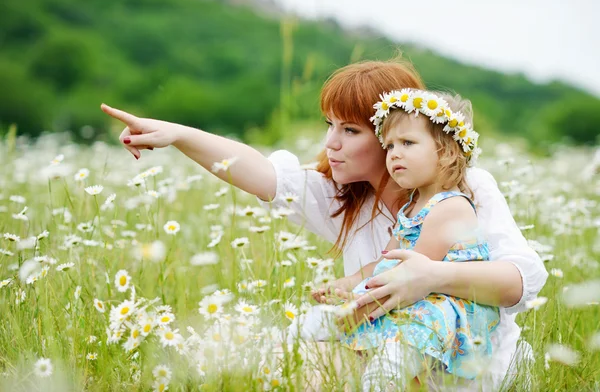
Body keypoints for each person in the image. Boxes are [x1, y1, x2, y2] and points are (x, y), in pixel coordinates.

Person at [100, 57, 548, 390]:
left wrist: (433, 276)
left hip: (472, 373)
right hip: (383, 362)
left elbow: (519, 280)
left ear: (395, 134)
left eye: (350, 130)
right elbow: (256, 170)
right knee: (276, 357)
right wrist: (178, 134)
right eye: (329, 125)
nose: (331, 143)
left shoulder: (467, 190)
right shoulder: (340, 196)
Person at [328, 88, 499, 391]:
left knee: (387, 367)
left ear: (446, 152)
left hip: (437, 312)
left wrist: (358, 309)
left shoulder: (450, 207)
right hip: (415, 303)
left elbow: (409, 276)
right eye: (390, 144)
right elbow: (388, 260)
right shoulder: (412, 207)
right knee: (339, 334)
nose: (394, 153)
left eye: (407, 142)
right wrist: (351, 281)